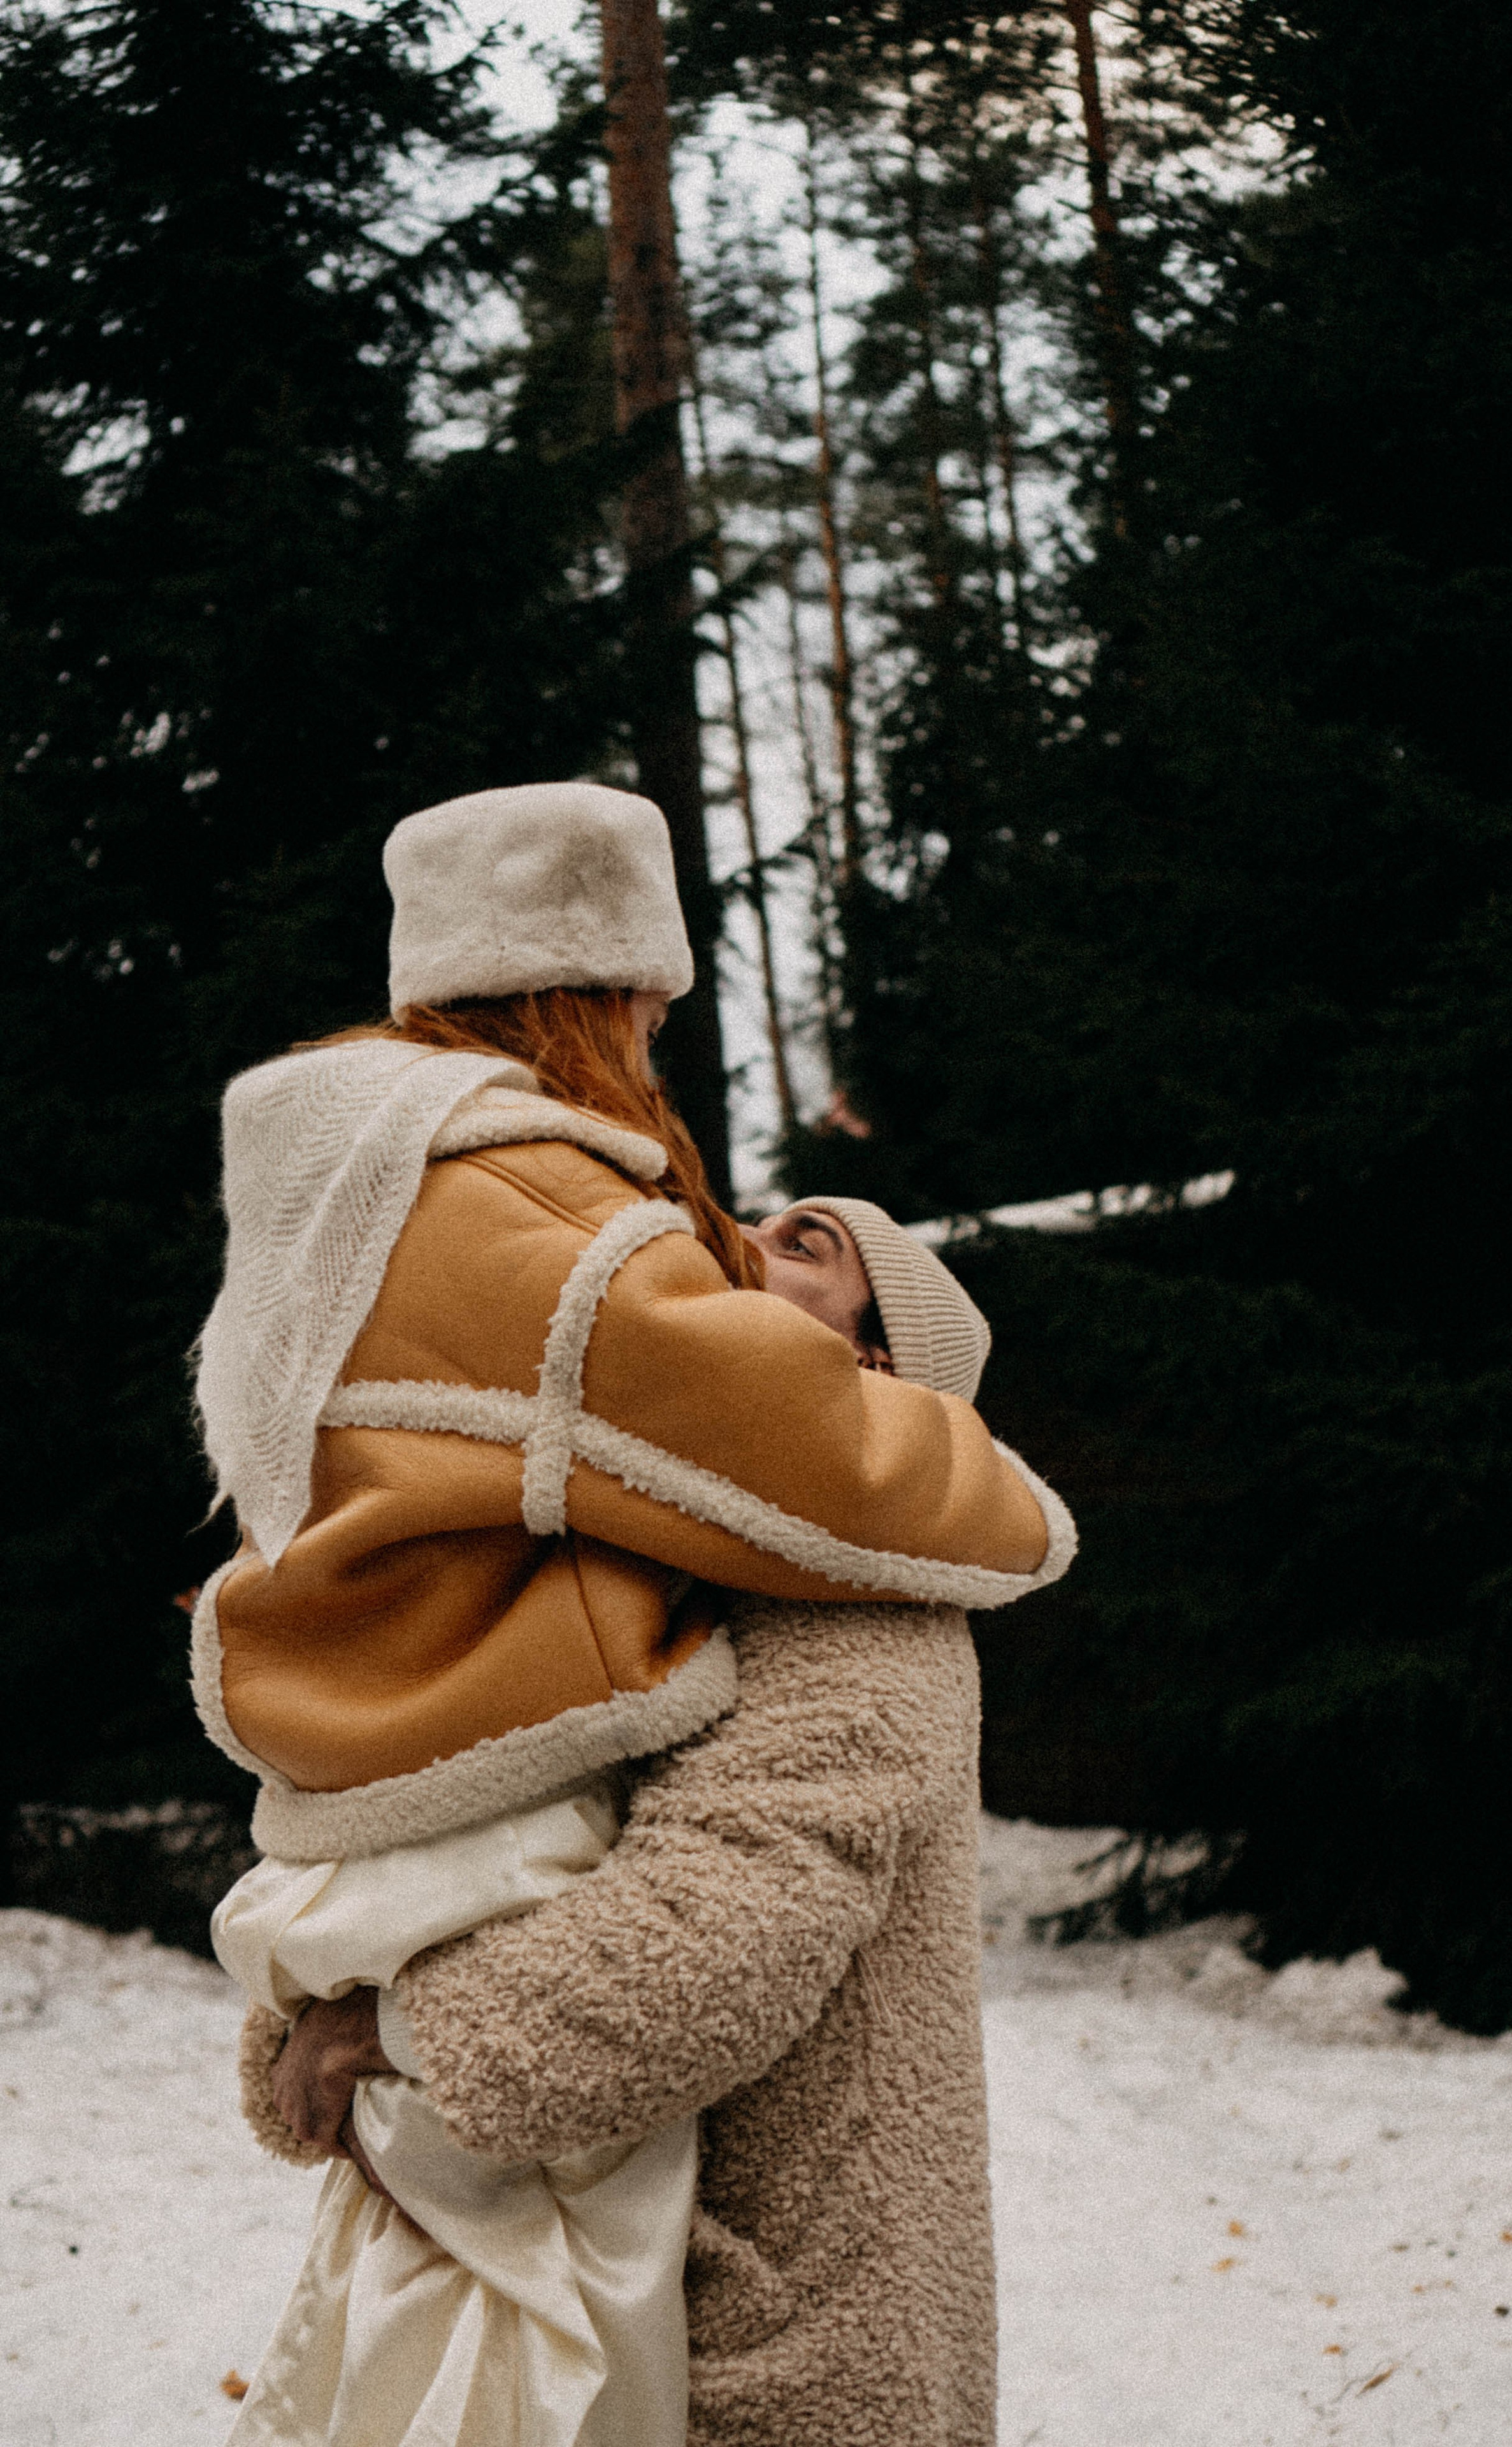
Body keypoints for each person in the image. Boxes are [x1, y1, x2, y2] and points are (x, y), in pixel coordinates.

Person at [194, 779, 1075, 2447]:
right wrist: (326, 2008)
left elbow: (717, 1938)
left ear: (875, 1377)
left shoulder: (864, 1604)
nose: (746, 1235)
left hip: (797, 2363)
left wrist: (384, 2026)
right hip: (655, 2305)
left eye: (812, 1248)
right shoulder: (703, 1553)